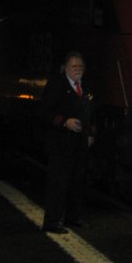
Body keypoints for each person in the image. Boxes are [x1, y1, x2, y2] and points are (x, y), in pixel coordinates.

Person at [40, 51, 95, 233]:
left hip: (79, 145)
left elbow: (92, 112)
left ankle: (73, 218)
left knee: (77, 182)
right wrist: (65, 122)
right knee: (58, 183)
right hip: (61, 145)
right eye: (74, 66)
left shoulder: (85, 87)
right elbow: (45, 113)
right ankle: (52, 221)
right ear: (66, 68)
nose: (77, 69)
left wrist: (91, 133)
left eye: (80, 66)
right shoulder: (56, 85)